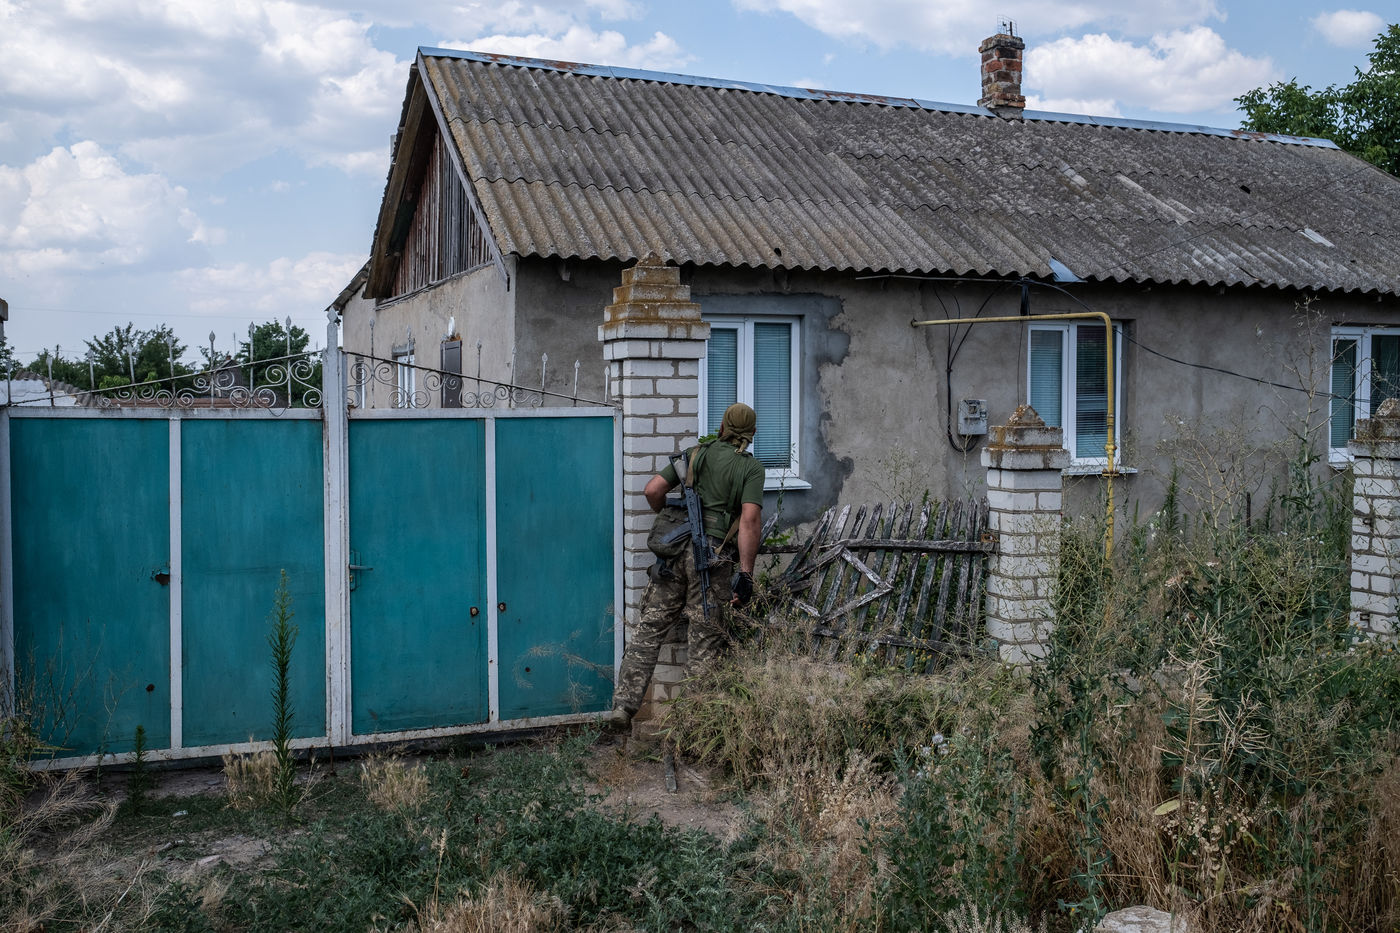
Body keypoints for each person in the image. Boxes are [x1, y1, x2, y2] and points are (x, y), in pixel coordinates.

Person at [606, 402, 765, 729]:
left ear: (722, 426)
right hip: (711, 559)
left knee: (649, 631)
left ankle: (623, 707)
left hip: (674, 552)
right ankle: (691, 727)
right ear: (751, 433)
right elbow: (749, 521)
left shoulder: (695, 454)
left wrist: (668, 515)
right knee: (704, 640)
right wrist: (746, 573)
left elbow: (653, 490)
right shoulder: (750, 468)